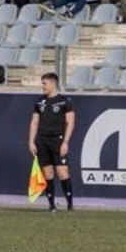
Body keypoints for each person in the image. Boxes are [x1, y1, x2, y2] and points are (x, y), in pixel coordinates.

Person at [27, 74, 76, 212]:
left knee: (62, 171)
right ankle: (51, 205)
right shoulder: (39, 102)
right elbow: (34, 122)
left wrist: (65, 142)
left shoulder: (64, 101)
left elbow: (70, 122)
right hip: (42, 140)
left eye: (44, 83)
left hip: (58, 140)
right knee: (47, 173)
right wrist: (31, 141)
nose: (42, 86)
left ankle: (70, 204)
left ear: (53, 84)